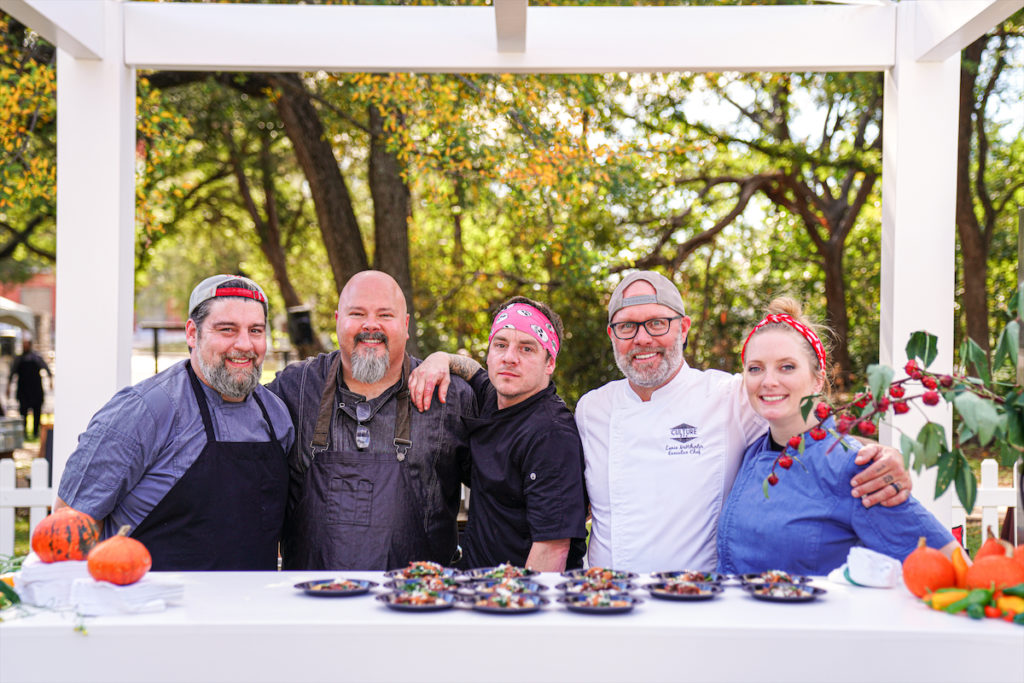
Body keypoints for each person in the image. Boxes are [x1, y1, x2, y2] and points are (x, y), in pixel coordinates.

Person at [575, 271, 914, 573]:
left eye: (657, 323)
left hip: (697, 604)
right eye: (626, 326)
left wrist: (880, 453)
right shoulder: (592, 409)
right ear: (612, 335)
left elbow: (808, 429)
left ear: (684, 328)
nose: (642, 338)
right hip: (608, 603)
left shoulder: (730, 396)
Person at [56, 275, 294, 571]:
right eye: (227, 330)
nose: (244, 344)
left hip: (250, 610)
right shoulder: (144, 410)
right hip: (153, 610)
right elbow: (69, 528)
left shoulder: (276, 417)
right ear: (192, 334)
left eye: (255, 331)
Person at [716, 298, 956, 574]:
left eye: (787, 367)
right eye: (755, 368)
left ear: (818, 378)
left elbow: (947, 559)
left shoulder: (855, 467)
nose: (768, 381)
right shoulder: (753, 449)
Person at [267, 270, 476, 571]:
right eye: (357, 313)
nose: (371, 325)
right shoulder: (294, 389)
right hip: (311, 607)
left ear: (405, 326)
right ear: (338, 320)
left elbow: (501, 494)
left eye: (385, 314)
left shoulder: (448, 397)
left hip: (418, 605)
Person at [408, 297, 589, 572]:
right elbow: (471, 370)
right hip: (479, 589)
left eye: (526, 349)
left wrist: (516, 605)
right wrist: (439, 359)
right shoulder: (495, 395)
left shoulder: (552, 435)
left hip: (520, 599)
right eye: (501, 345)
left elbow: (552, 549)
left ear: (549, 362)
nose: (509, 357)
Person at [8, 338, 52, 439]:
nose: (25, 346)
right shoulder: (19, 359)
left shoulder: (36, 358)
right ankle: (24, 433)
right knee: (23, 413)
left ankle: (35, 433)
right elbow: (12, 373)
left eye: (26, 344)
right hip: (23, 391)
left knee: (37, 413)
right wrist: (8, 387)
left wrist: (51, 381)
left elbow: (46, 368)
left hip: (35, 390)